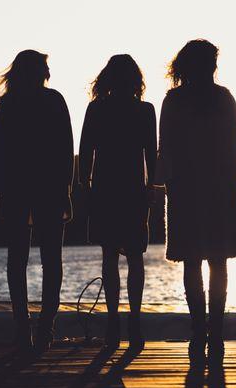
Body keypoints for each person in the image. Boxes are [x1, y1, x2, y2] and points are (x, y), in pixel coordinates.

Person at [156, 39, 236, 366]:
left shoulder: (174, 100)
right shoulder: (223, 98)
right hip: (217, 186)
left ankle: (200, 331)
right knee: (216, 259)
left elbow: (164, 146)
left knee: (193, 260)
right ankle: (215, 331)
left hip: (186, 188)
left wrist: (168, 178)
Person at [0, 50, 74, 352]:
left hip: (17, 189)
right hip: (50, 188)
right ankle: (46, 328)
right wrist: (66, 190)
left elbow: (1, 151)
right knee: (51, 260)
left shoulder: (8, 103)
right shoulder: (54, 100)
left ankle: (22, 328)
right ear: (42, 70)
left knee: (16, 260)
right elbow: (66, 147)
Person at [79, 54, 157, 350]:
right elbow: (152, 152)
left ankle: (113, 321)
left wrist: (83, 184)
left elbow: (86, 151)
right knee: (136, 257)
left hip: (104, 188)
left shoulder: (96, 109)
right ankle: (134, 321)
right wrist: (154, 185)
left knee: (109, 255)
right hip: (133, 188)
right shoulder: (145, 110)